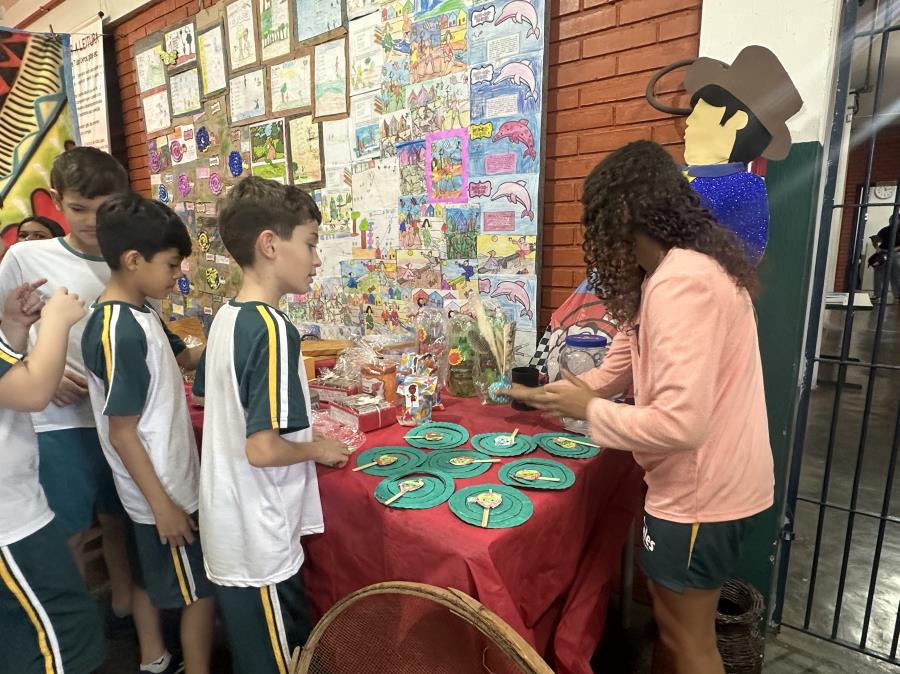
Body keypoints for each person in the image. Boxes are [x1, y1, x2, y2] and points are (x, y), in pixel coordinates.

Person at [503, 141, 774, 674]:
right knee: (671, 635)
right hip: (700, 486)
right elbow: (612, 375)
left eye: (597, 216)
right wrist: (549, 396)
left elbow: (681, 423)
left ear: (623, 213)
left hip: (702, 491)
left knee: (686, 638)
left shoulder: (683, 281)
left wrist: (591, 411)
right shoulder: (662, 279)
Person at [193, 177, 352, 674]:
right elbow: (261, 449)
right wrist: (317, 449)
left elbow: (205, 393)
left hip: (234, 527)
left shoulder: (227, 316)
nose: (317, 258)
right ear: (269, 244)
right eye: (309, 243)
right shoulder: (272, 327)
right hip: (257, 538)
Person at [0, 147, 137, 631]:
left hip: (119, 420)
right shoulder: (25, 257)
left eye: (104, 209)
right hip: (57, 424)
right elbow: (5, 329)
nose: (91, 221)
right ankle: (71, 629)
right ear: (58, 200)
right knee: (71, 533)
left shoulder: (127, 255)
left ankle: (123, 615)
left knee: (121, 523)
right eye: (79, 209)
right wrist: (43, 370)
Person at [81, 194, 214, 674]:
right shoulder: (119, 329)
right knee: (197, 591)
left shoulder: (140, 310)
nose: (176, 276)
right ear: (133, 260)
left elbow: (179, 357)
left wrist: (228, 338)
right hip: (163, 492)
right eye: (172, 266)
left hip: (155, 487)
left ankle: (152, 656)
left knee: (145, 577)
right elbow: (122, 432)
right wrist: (164, 506)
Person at [0, 283, 106, 674]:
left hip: (21, 513)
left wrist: (13, 325)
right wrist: (55, 323)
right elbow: (32, 391)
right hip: (9, 531)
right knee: (56, 644)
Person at [868, 218, 900, 304]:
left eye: (895, 219)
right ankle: (877, 295)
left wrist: (896, 248)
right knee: (878, 274)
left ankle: (897, 295)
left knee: (895, 275)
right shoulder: (884, 230)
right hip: (882, 253)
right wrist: (877, 248)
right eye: (891, 219)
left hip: (895, 254)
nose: (893, 221)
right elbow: (875, 240)